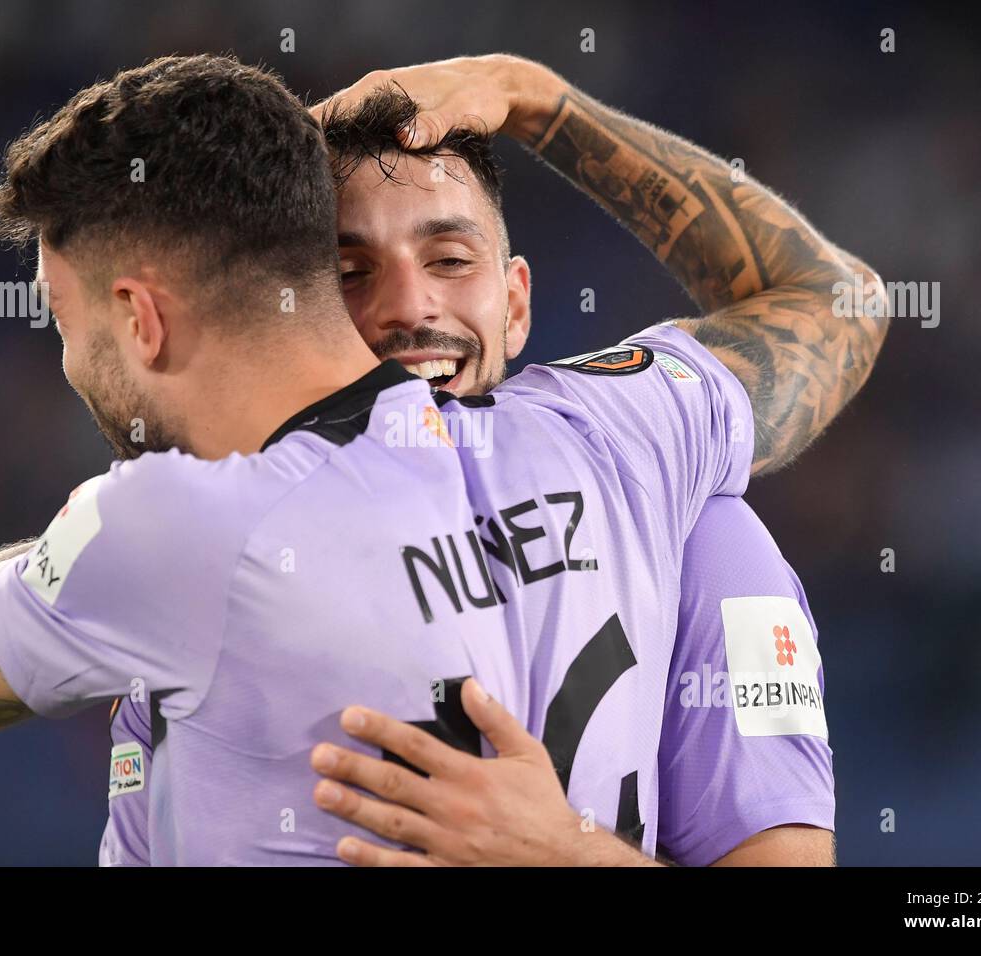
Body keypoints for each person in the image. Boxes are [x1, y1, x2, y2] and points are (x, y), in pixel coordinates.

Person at [94, 56, 888, 865]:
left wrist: (536, 99)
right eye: (346, 274)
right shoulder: (203, 578)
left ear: (514, 305)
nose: (409, 306)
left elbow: (838, 304)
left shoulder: (674, 501)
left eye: (449, 259)